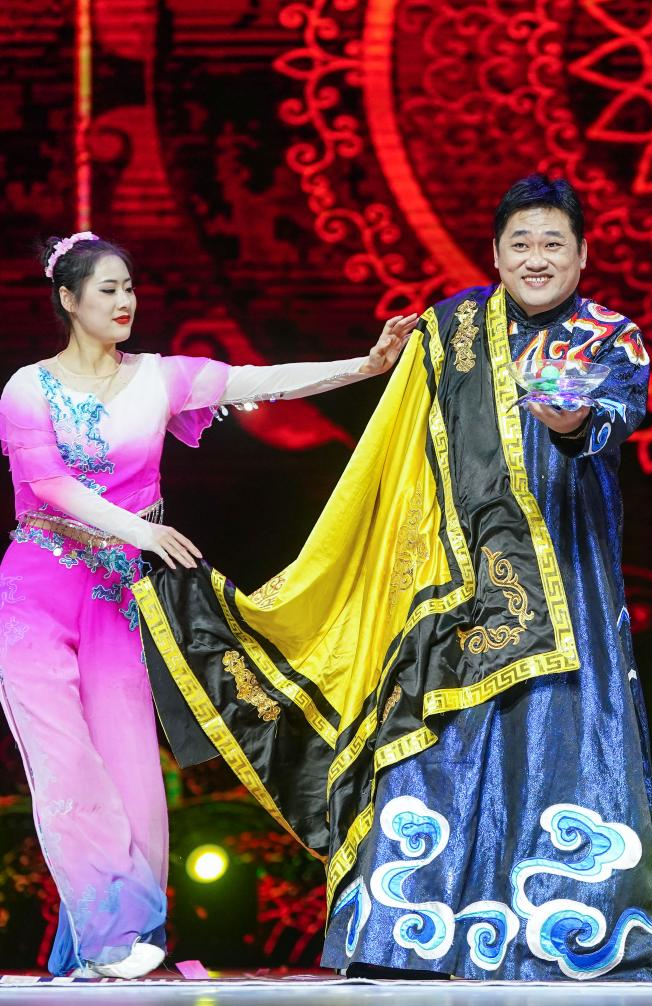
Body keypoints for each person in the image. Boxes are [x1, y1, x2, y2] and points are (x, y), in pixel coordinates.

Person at [137, 175, 652, 982]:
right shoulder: (449, 329)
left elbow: (612, 416)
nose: (536, 259)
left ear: (581, 255)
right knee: (431, 741)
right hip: (451, 581)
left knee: (561, 742)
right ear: (494, 254)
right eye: (520, 244)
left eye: (552, 244)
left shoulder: (609, 337)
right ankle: (409, 937)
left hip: (564, 589)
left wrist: (572, 423)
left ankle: (571, 932)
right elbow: (391, 456)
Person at [0, 230, 415, 979]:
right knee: (63, 757)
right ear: (68, 299)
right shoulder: (27, 388)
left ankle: (115, 932)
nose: (125, 301)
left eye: (130, 287)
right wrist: (142, 532)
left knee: (130, 765)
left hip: (117, 596)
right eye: (107, 289)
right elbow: (50, 484)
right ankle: (109, 933)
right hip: (39, 588)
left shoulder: (159, 378)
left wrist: (365, 364)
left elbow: (263, 380)